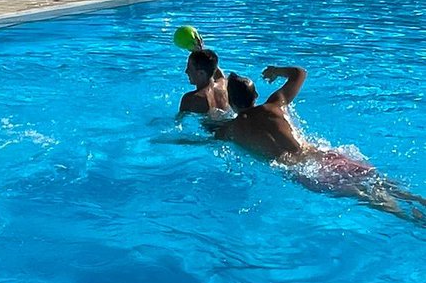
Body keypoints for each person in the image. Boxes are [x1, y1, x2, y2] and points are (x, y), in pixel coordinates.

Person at [214, 65, 426, 221]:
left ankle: (413, 221)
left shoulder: (232, 130)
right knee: (383, 182)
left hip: (302, 170)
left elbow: (201, 134)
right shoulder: (274, 105)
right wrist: (275, 71)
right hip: (322, 155)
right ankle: (419, 201)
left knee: (368, 196)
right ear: (256, 95)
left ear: (231, 104)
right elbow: (300, 73)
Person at [178, 48, 229, 117]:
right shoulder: (224, 85)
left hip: (209, 127)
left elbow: (178, 123)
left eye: (189, 68)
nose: (186, 71)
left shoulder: (191, 99)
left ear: (201, 73)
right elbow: (214, 68)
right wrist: (201, 51)